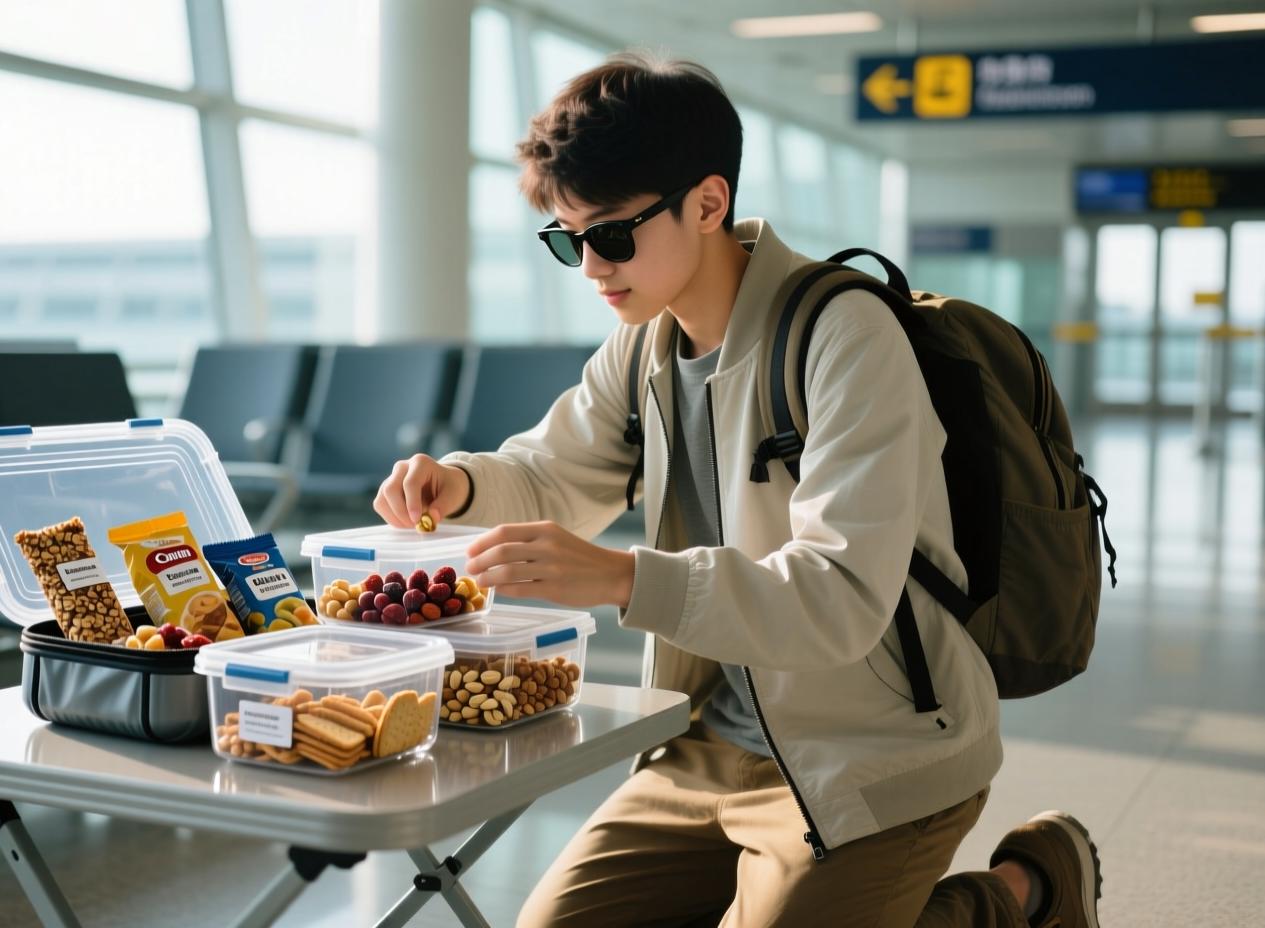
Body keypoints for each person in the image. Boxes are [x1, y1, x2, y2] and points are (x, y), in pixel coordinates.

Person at [372, 50, 1100, 928]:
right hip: (705, 746)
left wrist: (624, 578)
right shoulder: (644, 342)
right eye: (566, 240)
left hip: (873, 753)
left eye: (611, 235)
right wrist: (460, 483)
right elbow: (557, 470)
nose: (592, 267)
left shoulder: (846, 336)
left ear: (709, 203)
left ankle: (1026, 890)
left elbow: (841, 595)